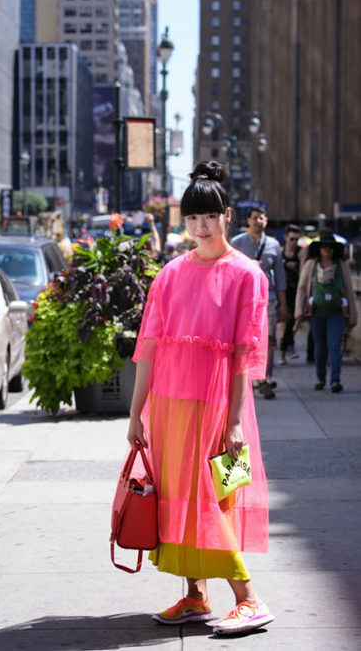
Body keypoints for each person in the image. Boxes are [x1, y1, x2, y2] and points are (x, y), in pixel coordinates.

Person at [128, 161, 274, 636]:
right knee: (179, 497)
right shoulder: (169, 274)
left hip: (218, 407)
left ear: (227, 215)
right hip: (169, 405)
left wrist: (234, 421)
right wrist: (136, 414)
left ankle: (249, 599)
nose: (200, 227)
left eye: (208, 216)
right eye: (191, 219)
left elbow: (245, 355)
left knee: (215, 497)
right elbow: (147, 348)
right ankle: (195, 596)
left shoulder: (247, 275)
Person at [232, 207, 287, 399]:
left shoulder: (273, 245)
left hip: (268, 299)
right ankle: (248, 376)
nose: (257, 221)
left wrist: (283, 304)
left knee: (269, 339)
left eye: (261, 218)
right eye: (254, 218)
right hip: (244, 300)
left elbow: (280, 276)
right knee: (246, 340)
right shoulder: (236, 243)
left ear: (266, 220)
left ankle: (265, 377)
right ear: (248, 221)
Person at [294, 230, 357, 392]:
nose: (327, 249)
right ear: (319, 248)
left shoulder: (341, 265)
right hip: (316, 313)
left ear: (335, 249)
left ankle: (335, 380)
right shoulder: (311, 264)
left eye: (330, 247)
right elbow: (302, 288)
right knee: (320, 347)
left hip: (336, 312)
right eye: (324, 246)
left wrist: (353, 314)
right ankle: (320, 378)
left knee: (335, 346)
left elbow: (349, 290)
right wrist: (299, 311)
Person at [278, 223, 301, 363]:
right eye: (292, 239)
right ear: (286, 238)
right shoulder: (280, 252)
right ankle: (286, 349)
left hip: (296, 291)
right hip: (283, 291)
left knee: (294, 320)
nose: (294, 242)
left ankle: (285, 348)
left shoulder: (300, 253)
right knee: (285, 321)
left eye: (296, 240)